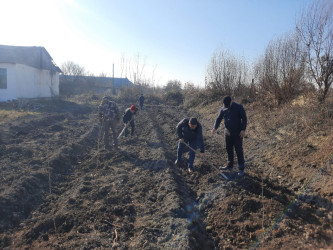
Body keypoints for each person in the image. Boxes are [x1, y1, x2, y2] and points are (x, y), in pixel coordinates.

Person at [212, 96, 247, 177]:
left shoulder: (239, 107)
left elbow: (244, 119)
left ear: (231, 101)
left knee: (238, 150)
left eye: (228, 105)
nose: (226, 107)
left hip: (238, 133)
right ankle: (229, 165)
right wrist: (214, 128)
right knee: (228, 149)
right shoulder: (223, 109)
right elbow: (218, 119)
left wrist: (243, 130)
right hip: (227, 132)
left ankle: (241, 169)